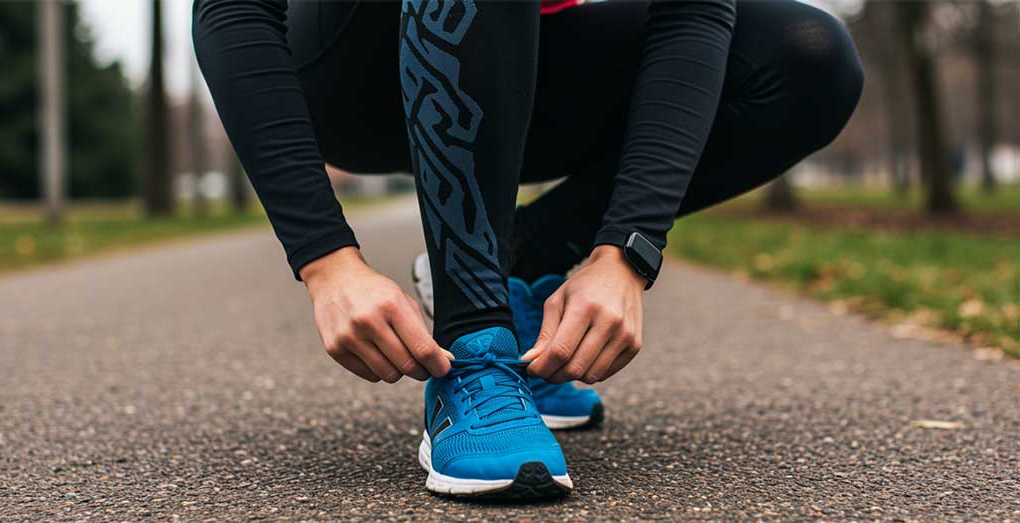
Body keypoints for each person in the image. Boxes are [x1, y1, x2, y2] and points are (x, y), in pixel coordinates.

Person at [193, 0, 863, 500]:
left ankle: (511, 273)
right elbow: (232, 7)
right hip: (346, 68)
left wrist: (625, 249)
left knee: (805, 58)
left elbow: (692, 13)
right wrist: (325, 258)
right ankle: (476, 347)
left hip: (518, 52)